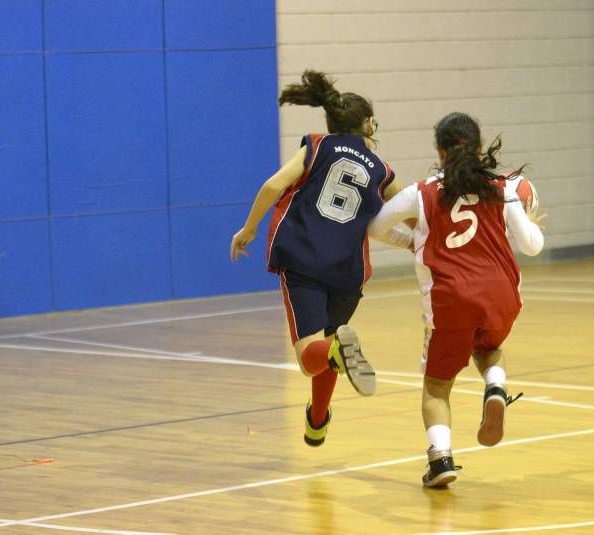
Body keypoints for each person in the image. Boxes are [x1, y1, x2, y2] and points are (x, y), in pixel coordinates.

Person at [368, 112, 546, 487]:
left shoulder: (421, 192)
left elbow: (375, 227)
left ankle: (440, 461)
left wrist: (410, 241)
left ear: (439, 151)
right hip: (501, 295)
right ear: (480, 148)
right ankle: (495, 386)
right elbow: (531, 247)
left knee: (437, 385)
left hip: (451, 298)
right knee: (489, 344)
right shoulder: (503, 186)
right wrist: (532, 223)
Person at [230, 70, 405, 447]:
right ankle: (317, 420)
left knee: (312, 354)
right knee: (331, 348)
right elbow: (411, 207)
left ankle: (332, 371)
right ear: (367, 123)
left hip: (305, 261)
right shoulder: (380, 168)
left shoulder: (317, 145)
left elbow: (273, 185)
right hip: (348, 273)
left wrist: (248, 229)